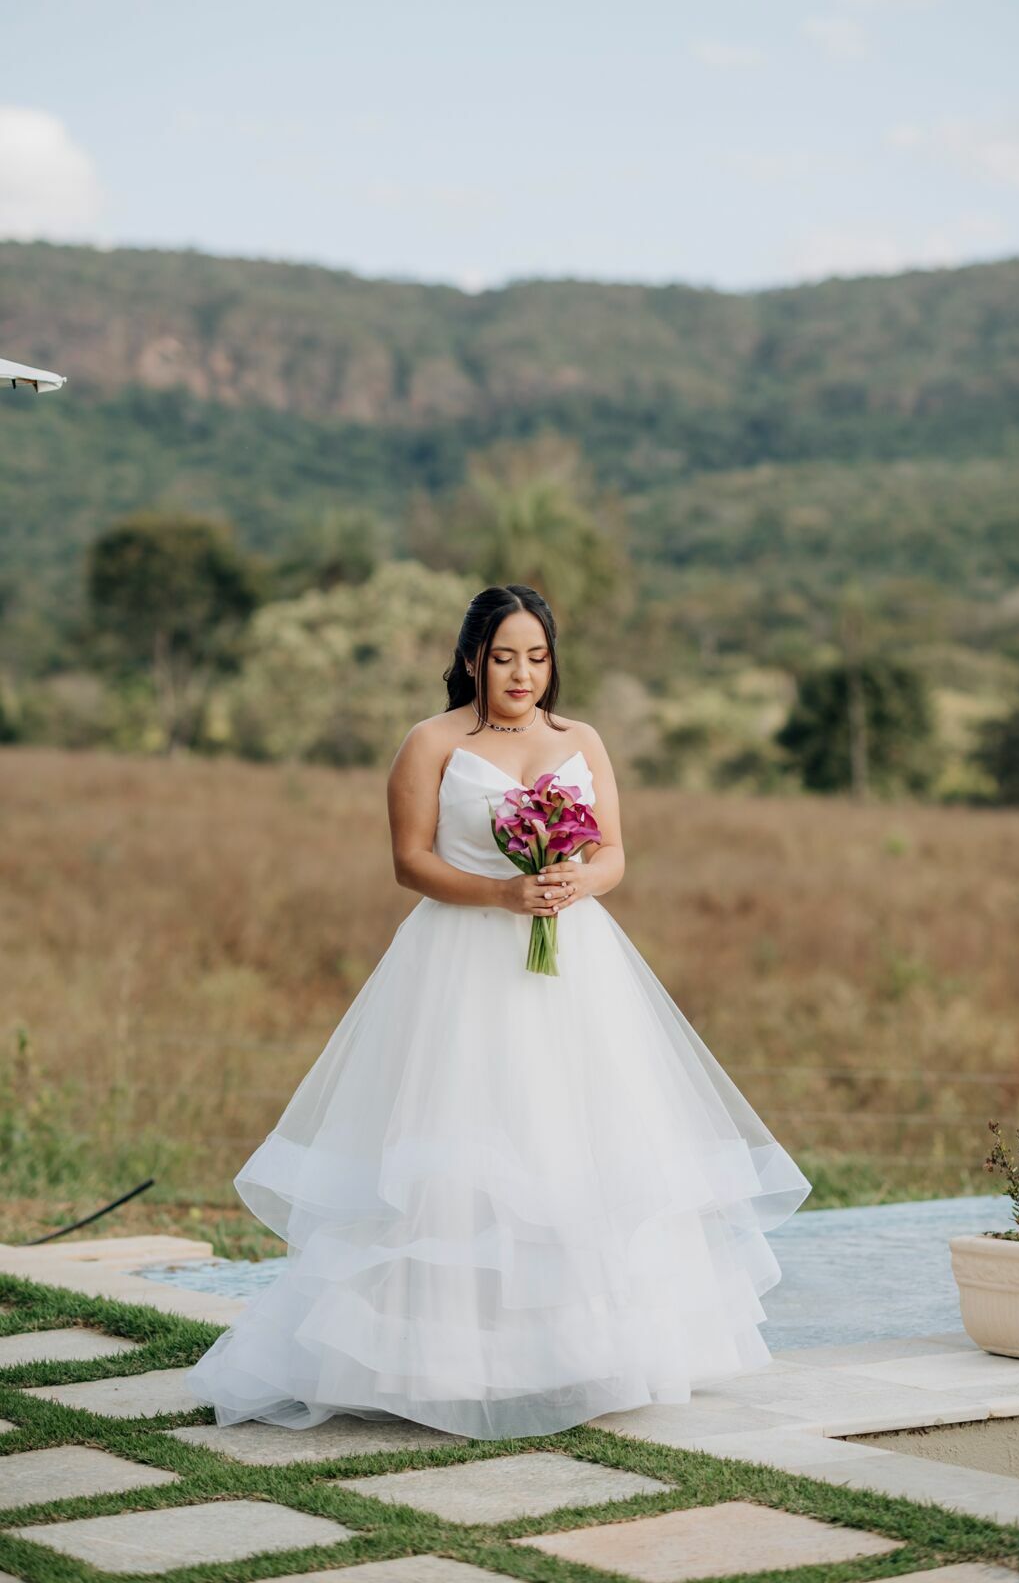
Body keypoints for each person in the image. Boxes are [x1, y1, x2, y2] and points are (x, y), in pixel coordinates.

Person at [185, 583, 812, 1441]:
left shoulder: (580, 740)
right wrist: (502, 892)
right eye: (506, 655)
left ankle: (575, 1351)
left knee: (571, 1142)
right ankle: (442, 1357)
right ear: (473, 656)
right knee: (461, 1154)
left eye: (538, 656)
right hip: (459, 963)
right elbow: (409, 863)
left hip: (576, 966)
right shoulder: (431, 742)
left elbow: (614, 853)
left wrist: (572, 881)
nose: (523, 673)